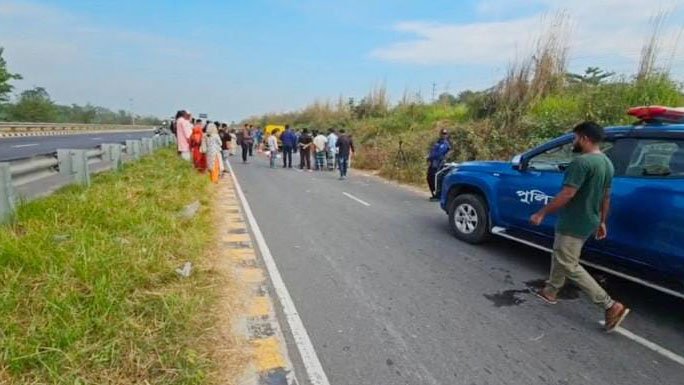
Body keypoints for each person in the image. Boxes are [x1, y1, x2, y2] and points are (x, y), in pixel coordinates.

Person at [530, 121, 629, 333]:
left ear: (584, 138)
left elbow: (568, 193)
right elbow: (606, 196)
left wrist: (541, 213)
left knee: (568, 262)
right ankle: (550, 291)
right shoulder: (607, 163)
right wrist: (602, 220)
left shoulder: (582, 163)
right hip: (589, 220)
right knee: (561, 254)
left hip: (574, 220)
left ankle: (610, 305)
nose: (574, 142)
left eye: (575, 138)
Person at [427, 128, 452, 201]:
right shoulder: (438, 142)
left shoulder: (445, 144)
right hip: (433, 163)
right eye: (443, 133)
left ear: (447, 135)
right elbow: (433, 151)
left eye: (445, 134)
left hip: (439, 163)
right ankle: (434, 194)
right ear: (440, 134)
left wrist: (430, 156)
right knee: (430, 178)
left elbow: (438, 154)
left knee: (436, 178)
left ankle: (438, 195)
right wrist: (429, 157)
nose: (444, 135)